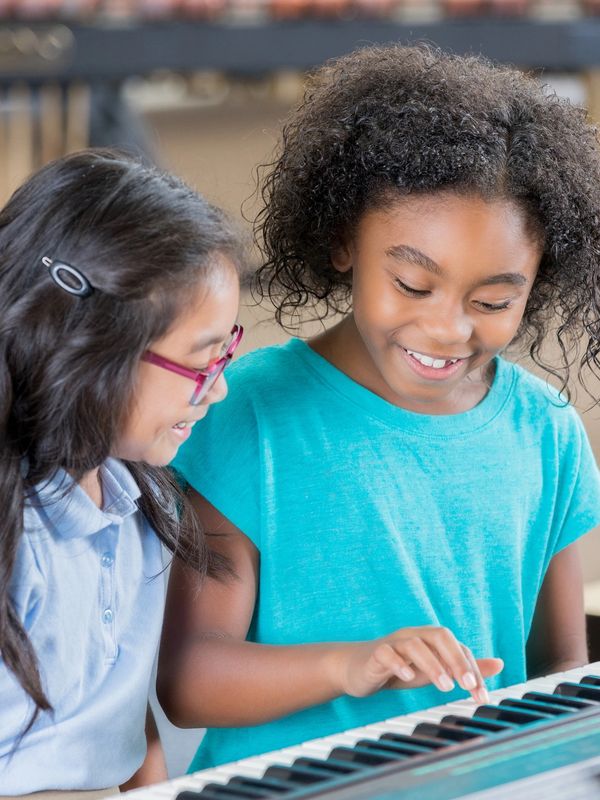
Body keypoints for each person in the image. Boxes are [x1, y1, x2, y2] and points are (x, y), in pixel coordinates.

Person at [159, 45, 600, 772]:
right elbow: (186, 682)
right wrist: (350, 665)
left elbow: (558, 680)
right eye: (412, 284)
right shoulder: (248, 415)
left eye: (493, 301)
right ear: (342, 243)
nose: (449, 329)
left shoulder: (545, 433)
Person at [0, 149, 243, 796]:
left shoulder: (139, 498)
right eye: (202, 362)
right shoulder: (15, 533)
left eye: (227, 353)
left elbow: (126, 718)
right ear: (94, 349)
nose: (215, 391)